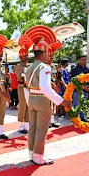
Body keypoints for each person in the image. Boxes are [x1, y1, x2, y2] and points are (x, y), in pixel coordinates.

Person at [24, 25, 71, 165]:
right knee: (41, 129)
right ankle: (39, 157)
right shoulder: (44, 67)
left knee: (32, 128)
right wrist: (61, 101)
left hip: (31, 99)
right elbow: (45, 88)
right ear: (44, 54)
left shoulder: (29, 67)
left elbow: (27, 85)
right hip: (42, 100)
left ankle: (32, 154)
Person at [16, 35, 32, 133]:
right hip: (22, 86)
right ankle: (20, 125)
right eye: (23, 55)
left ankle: (27, 124)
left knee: (28, 105)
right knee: (22, 106)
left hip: (29, 87)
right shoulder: (19, 66)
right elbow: (21, 76)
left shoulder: (29, 66)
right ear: (20, 56)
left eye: (26, 55)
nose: (25, 57)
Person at [71, 55, 89, 121]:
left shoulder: (87, 69)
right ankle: (74, 118)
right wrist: (82, 87)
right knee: (76, 104)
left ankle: (82, 118)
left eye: (85, 60)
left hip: (86, 91)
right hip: (77, 90)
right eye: (82, 60)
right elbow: (73, 81)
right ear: (79, 60)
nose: (84, 61)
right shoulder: (75, 69)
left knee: (83, 104)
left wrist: (88, 87)